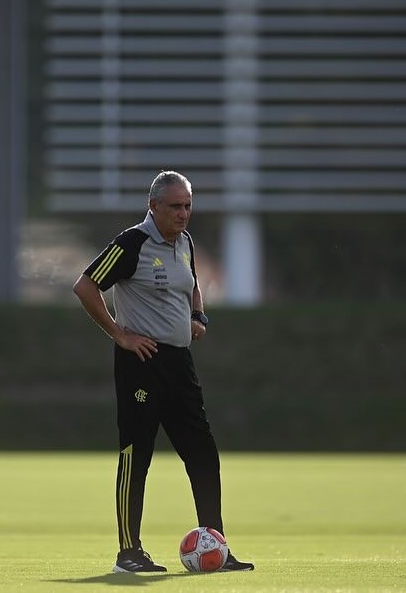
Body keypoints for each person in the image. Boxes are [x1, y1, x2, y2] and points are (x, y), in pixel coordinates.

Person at [73, 170, 255, 573]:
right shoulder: (132, 243)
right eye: (175, 206)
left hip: (179, 364)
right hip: (142, 363)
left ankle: (216, 548)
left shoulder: (185, 242)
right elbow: (86, 286)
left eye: (188, 205)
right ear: (153, 206)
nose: (183, 213)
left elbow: (191, 284)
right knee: (136, 456)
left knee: (203, 454)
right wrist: (119, 334)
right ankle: (128, 554)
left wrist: (197, 315)